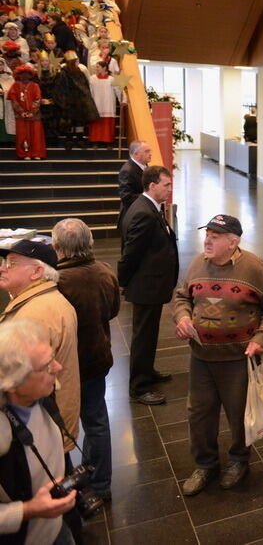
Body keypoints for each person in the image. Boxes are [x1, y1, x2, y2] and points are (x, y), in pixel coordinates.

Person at [174, 215, 263, 496]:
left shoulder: (255, 268)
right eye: (207, 233)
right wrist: (183, 317)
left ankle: (239, 461)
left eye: (216, 235)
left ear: (233, 242)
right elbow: (182, 296)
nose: (208, 240)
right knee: (199, 414)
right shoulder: (198, 263)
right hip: (201, 357)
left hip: (238, 358)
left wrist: (262, 337)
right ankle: (205, 464)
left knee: (239, 415)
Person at [52, 218, 118, 502]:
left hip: (65, 366)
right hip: (97, 358)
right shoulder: (104, 271)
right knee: (97, 420)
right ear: (89, 243)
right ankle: (101, 483)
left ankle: (70, 480)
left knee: (62, 426)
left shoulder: (55, 281)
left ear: (57, 248)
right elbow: (113, 310)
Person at [0, 320, 78, 544]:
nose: (58, 367)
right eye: (46, 366)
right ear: (12, 383)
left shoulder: (43, 395)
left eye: (52, 357)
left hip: (57, 526)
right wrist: (28, 510)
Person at [0, 240, 81, 448]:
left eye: (11, 264)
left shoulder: (34, 316)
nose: (2, 268)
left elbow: (19, 379)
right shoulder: (43, 300)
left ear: (36, 271)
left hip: (38, 431)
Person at [117, 165, 178, 406]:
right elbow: (131, 253)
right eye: (166, 185)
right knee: (143, 336)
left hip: (151, 284)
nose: (169, 189)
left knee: (150, 333)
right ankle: (139, 387)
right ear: (152, 186)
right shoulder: (143, 212)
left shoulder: (148, 207)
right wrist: (122, 282)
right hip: (145, 286)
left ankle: (147, 371)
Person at [53, 50, 98, 150]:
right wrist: (64, 102)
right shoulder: (63, 73)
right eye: (75, 60)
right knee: (69, 123)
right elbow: (59, 88)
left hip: (80, 102)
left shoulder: (79, 72)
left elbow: (85, 86)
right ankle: (69, 140)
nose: (78, 62)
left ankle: (80, 139)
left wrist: (86, 99)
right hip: (69, 102)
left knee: (79, 123)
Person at [8, 64, 44, 160]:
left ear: (31, 75)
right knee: (22, 135)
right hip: (21, 116)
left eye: (27, 74)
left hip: (34, 116)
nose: (25, 76)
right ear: (18, 75)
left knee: (36, 135)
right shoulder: (15, 86)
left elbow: (38, 99)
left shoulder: (35, 85)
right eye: (22, 74)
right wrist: (21, 112)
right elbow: (13, 100)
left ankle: (36, 153)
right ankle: (24, 153)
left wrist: (33, 112)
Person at [118, 140, 151, 233]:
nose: (150, 154)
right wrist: (149, 196)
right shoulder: (127, 171)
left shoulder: (144, 166)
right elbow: (126, 197)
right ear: (136, 154)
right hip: (133, 218)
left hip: (142, 215)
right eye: (147, 151)